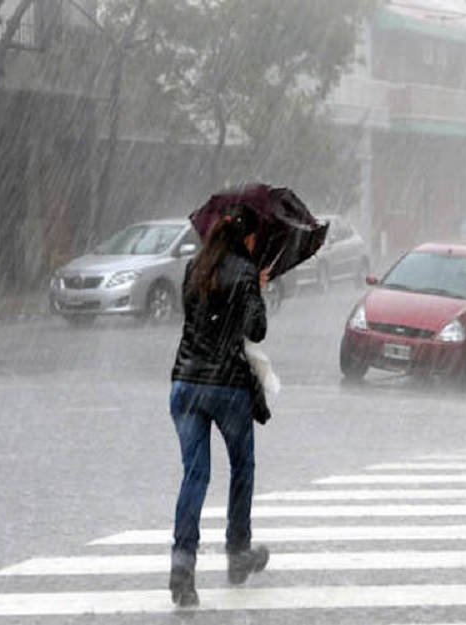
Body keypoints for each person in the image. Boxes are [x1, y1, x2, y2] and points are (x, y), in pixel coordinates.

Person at [168, 204, 270, 607]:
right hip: (227, 387)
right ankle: (237, 553)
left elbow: (193, 318)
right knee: (241, 468)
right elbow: (256, 330)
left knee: (195, 475)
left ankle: (182, 567)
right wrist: (257, 290)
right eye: (254, 239)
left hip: (186, 384)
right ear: (246, 238)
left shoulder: (196, 268)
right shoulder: (245, 272)